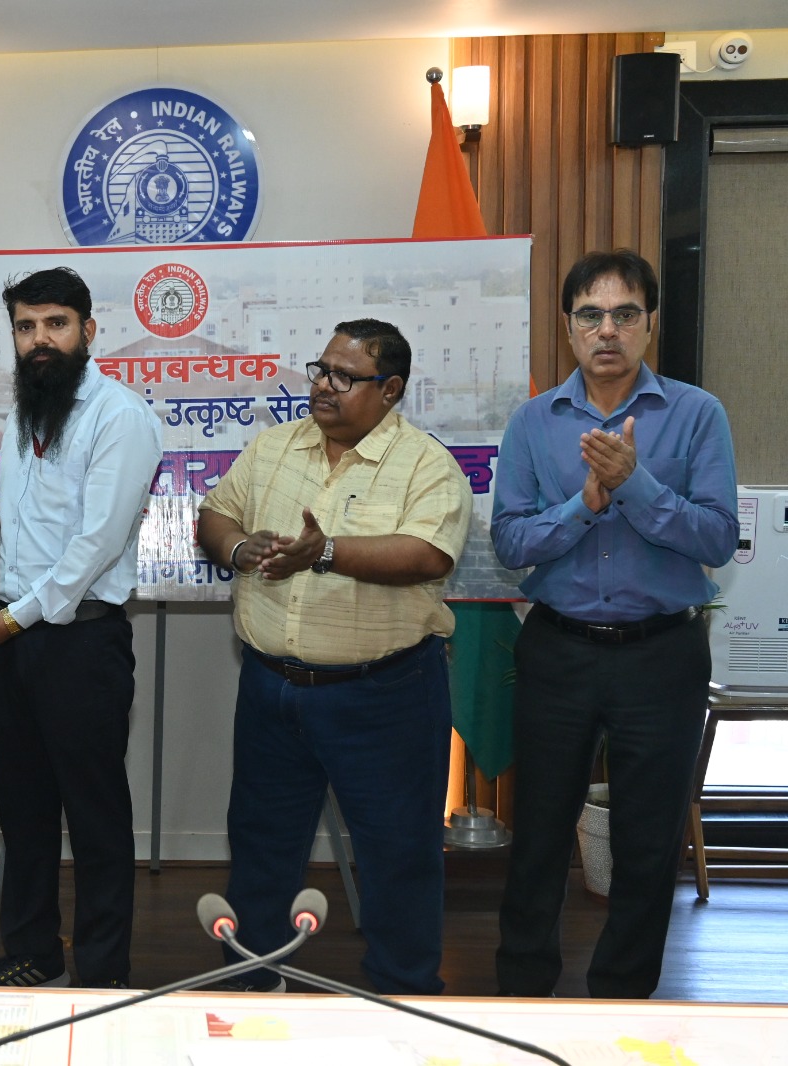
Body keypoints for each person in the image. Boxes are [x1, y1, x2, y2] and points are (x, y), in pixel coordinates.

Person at [198, 319, 471, 995]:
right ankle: (253, 992)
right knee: (260, 850)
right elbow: (214, 513)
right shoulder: (274, 447)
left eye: (344, 377)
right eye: (320, 370)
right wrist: (239, 549)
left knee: (397, 859)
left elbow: (426, 556)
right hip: (271, 690)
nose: (323, 385)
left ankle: (400, 1002)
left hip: (384, 696)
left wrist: (324, 551)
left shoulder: (425, 465)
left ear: (391, 390)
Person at [492, 249, 737, 999]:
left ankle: (623, 1002)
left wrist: (635, 486)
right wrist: (585, 504)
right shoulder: (534, 421)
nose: (608, 330)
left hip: (661, 656)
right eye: (591, 315)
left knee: (647, 842)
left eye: (625, 314)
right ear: (568, 327)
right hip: (558, 650)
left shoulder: (697, 414)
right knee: (538, 834)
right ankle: (524, 995)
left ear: (650, 324)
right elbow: (510, 544)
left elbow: (716, 538)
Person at [0, 266, 163, 989]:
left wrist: (11, 620)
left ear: (88, 331)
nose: (40, 339)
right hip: (11, 639)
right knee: (23, 808)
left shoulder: (119, 416)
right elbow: (41, 528)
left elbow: (95, 545)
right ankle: (33, 956)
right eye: (26, 326)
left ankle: (102, 972)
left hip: (79, 643)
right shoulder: (24, 412)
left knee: (95, 816)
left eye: (56, 324)